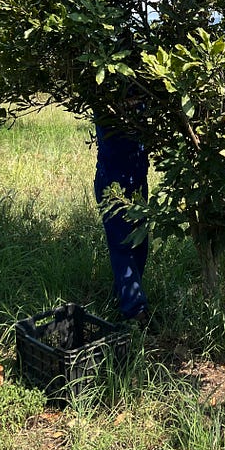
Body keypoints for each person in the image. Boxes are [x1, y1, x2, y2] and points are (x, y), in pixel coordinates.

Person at [93, 122, 151, 325]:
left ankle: (126, 295)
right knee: (122, 244)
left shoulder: (140, 96)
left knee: (139, 243)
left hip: (137, 179)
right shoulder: (108, 97)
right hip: (113, 183)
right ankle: (134, 311)